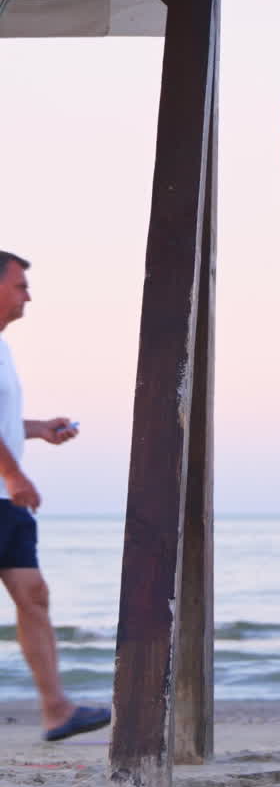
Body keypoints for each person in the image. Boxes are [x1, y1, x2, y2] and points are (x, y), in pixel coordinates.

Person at [0, 250, 112, 742]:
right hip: (7, 491)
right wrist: (14, 475)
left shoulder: (2, 349)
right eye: (21, 285)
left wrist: (38, 429)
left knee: (34, 596)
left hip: (6, 505)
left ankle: (56, 710)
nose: (29, 295)